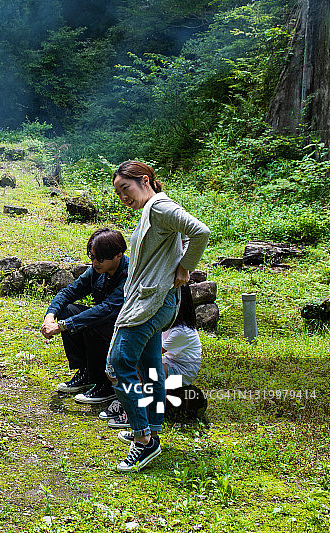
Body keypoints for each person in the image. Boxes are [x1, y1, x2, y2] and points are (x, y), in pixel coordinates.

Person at [107, 160, 209, 472]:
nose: (124, 196)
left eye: (126, 188)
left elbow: (199, 231)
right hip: (153, 300)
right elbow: (185, 238)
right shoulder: (152, 210)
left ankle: (143, 440)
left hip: (153, 302)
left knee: (119, 362)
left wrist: (184, 267)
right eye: (119, 193)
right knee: (151, 367)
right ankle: (152, 427)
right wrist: (179, 262)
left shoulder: (160, 206)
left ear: (145, 179)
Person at [41, 228, 129, 405]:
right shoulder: (97, 270)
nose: (95, 263)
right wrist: (50, 316)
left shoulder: (130, 274)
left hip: (125, 329)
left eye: (100, 258)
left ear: (118, 255)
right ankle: (87, 372)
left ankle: (106, 383)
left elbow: (108, 309)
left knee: (91, 322)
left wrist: (63, 326)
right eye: (92, 257)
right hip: (106, 321)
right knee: (68, 310)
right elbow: (69, 291)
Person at [102, 282, 203, 428]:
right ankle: (129, 405)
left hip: (182, 371)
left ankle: (136, 412)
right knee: (138, 366)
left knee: (148, 369)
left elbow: (152, 352)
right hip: (169, 362)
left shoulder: (182, 331)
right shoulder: (167, 323)